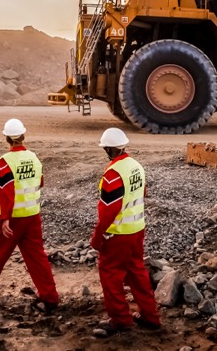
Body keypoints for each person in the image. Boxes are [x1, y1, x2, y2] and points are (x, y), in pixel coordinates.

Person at [0, 118, 60, 311]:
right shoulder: (34, 158)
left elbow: (6, 191)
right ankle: (50, 297)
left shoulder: (4, 162)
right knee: (37, 258)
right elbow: (40, 182)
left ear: (6, 138)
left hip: (12, 218)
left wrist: (5, 218)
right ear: (23, 136)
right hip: (32, 215)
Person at [90, 127, 161, 335]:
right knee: (137, 272)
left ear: (109, 149)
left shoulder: (113, 174)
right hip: (137, 229)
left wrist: (98, 235)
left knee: (110, 274)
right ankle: (150, 316)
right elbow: (143, 192)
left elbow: (108, 210)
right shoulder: (136, 166)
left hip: (118, 234)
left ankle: (120, 319)